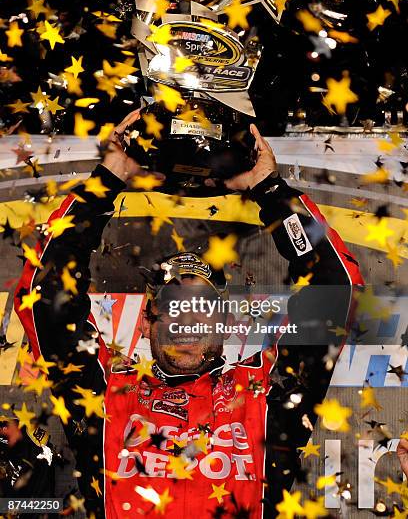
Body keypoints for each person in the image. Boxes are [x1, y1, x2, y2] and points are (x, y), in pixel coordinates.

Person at [15, 110, 363, 518]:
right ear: (147, 322)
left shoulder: (266, 397)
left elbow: (334, 289)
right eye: (175, 306)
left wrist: (269, 190)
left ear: (227, 322)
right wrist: (106, 181)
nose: (187, 321)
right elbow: (44, 294)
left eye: (201, 307)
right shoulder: (105, 397)